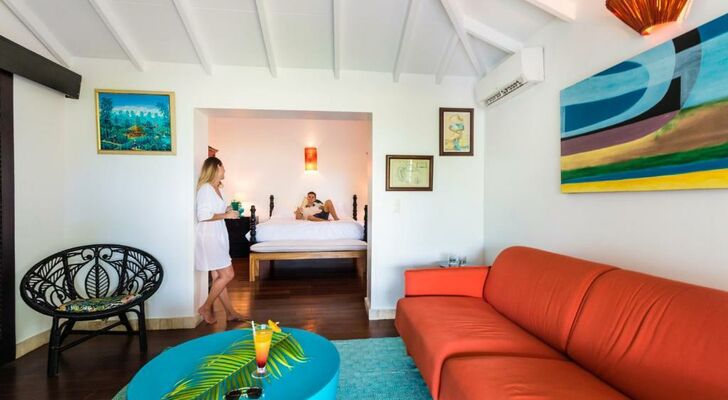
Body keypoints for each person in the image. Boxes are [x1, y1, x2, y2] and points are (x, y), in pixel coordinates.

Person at [195, 156, 246, 324]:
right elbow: (203, 215)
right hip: (209, 235)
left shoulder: (217, 188)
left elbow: (217, 209)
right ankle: (205, 307)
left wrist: (228, 209)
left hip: (218, 234)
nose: (225, 170)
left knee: (218, 275)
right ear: (216, 167)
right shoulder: (205, 189)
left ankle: (230, 313)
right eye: (223, 167)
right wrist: (226, 215)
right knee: (228, 274)